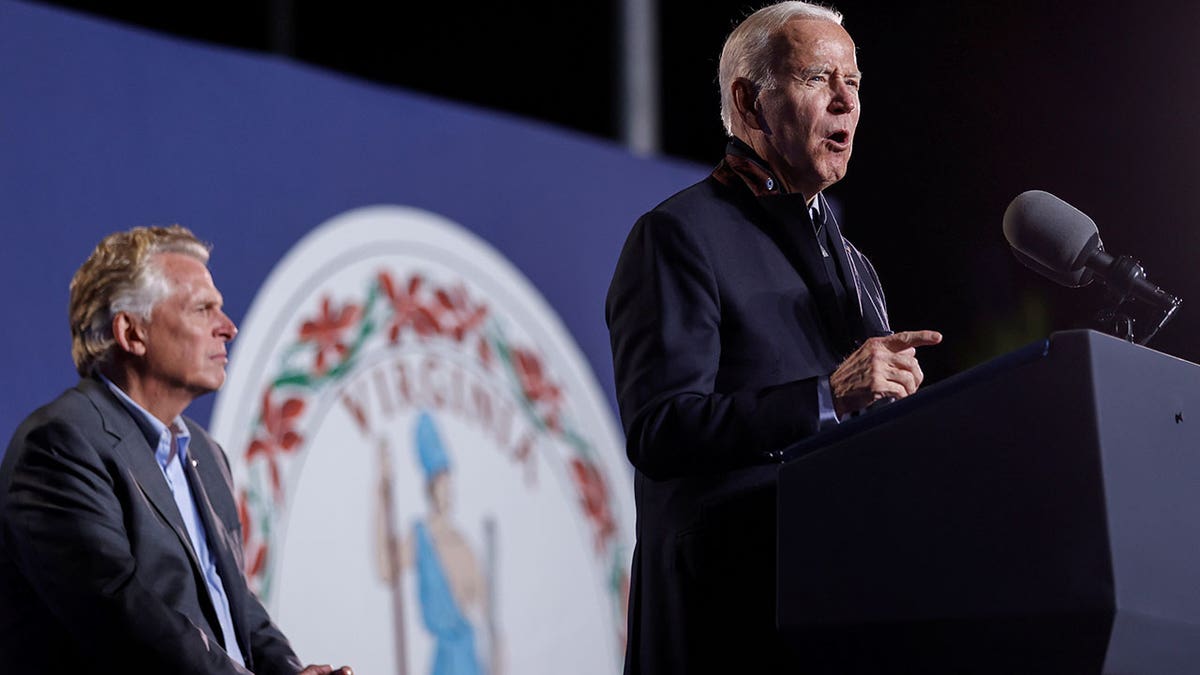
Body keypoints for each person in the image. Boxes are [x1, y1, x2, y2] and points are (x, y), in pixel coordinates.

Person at [605, 2, 942, 673]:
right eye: (819, 78)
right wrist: (827, 396)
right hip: (725, 623)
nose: (847, 100)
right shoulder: (680, 235)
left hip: (839, 611)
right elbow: (661, 426)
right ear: (750, 103)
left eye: (855, 81)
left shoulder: (858, 267)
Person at [0, 225, 351, 674]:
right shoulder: (59, 446)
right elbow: (124, 616)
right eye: (203, 310)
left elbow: (236, 604)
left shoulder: (206, 455)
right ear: (132, 332)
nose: (228, 328)